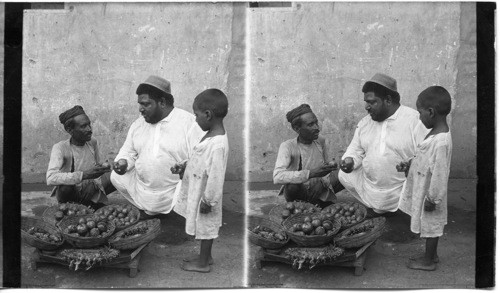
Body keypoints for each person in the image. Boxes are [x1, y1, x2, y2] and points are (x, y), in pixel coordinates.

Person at [110, 75, 204, 215]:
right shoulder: (138, 125)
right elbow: (127, 152)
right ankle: (151, 208)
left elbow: (201, 158)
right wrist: (123, 162)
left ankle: (181, 211)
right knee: (116, 177)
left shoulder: (189, 123)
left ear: (162, 102)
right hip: (145, 190)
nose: (140, 109)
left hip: (176, 190)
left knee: (197, 179)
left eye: (146, 104)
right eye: (140, 104)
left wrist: (186, 166)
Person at [338, 73, 428, 215]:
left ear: (388, 100)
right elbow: (355, 150)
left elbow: (427, 156)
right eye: (366, 102)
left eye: (371, 102)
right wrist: (350, 160)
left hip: (402, 188)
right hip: (372, 188)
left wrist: (412, 164)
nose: (366, 107)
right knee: (344, 175)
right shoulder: (365, 123)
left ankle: (405, 208)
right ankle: (378, 205)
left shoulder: (414, 120)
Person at [171, 88, 229, 273]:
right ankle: (207, 257)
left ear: (208, 114)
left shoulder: (218, 144)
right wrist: (185, 165)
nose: (195, 120)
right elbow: (202, 160)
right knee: (203, 226)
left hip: (206, 194)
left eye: (196, 115)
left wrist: (208, 200)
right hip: (199, 188)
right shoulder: (210, 134)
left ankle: (203, 264)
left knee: (205, 228)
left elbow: (216, 176)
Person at [397, 86, 453, 271]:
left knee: (431, 226)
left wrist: (433, 198)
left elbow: (440, 173)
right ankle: (432, 255)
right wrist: (410, 164)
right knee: (428, 224)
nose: (419, 117)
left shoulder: (441, 142)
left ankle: (428, 261)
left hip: (431, 192)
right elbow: (424, 157)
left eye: (420, 112)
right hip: (425, 186)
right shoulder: (434, 133)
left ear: (431, 112)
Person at [46, 105, 115, 210]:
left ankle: (89, 204)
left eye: (89, 125)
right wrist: (83, 175)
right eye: (83, 126)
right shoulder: (60, 148)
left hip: (90, 188)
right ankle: (70, 207)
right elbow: (50, 178)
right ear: (70, 130)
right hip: (71, 191)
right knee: (65, 188)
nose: (89, 129)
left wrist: (95, 182)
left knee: (116, 176)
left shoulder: (92, 142)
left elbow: (97, 166)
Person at [273, 104, 340, 208]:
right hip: (299, 191)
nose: (317, 128)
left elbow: (327, 166)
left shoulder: (320, 141)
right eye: (310, 125)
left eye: (316, 122)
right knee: (292, 186)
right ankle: (299, 206)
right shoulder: (287, 146)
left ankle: (320, 201)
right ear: (297, 128)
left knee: (344, 173)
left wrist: (322, 182)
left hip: (318, 187)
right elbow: (277, 177)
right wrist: (310, 174)